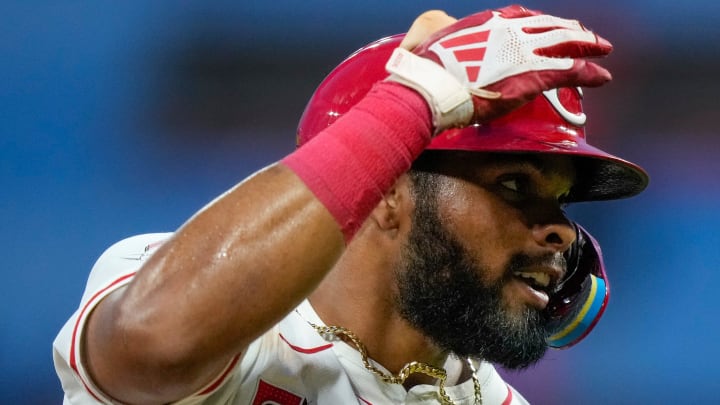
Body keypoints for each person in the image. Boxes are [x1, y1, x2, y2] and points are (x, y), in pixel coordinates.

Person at [53, 5, 649, 405]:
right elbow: (150, 345)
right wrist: (414, 103)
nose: (563, 235)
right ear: (386, 186)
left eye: (561, 199)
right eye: (516, 183)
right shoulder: (186, 288)